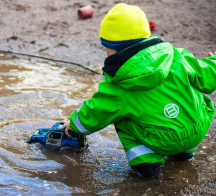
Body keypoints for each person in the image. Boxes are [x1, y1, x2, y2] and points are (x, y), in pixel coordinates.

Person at [62, 3, 216, 178]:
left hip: (161, 140)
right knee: (191, 97)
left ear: (112, 48)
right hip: (197, 128)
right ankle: (183, 154)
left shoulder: (118, 85)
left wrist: (74, 125)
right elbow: (207, 76)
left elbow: (96, 111)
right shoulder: (177, 56)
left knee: (120, 116)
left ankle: (147, 165)